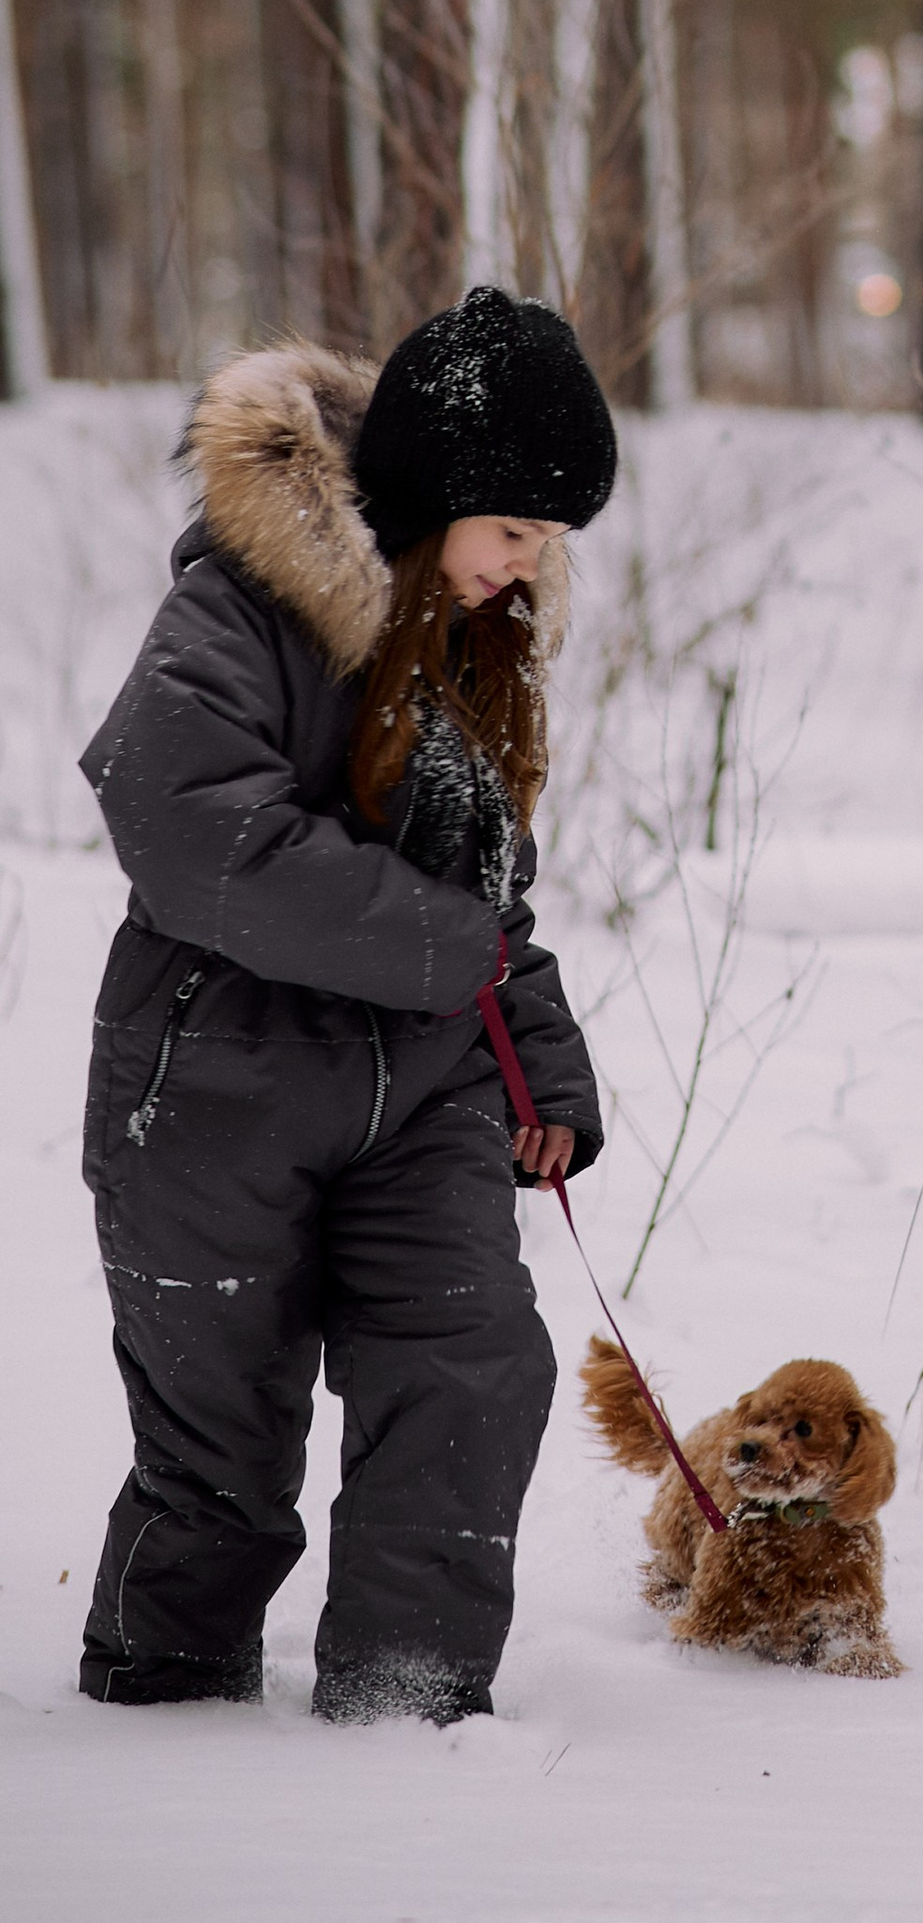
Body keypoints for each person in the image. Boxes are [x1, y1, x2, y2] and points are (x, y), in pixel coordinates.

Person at [76, 286, 620, 1724]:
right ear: (437, 492)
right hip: (213, 1087)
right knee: (222, 1445)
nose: (528, 567)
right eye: (515, 529)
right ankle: (165, 1701)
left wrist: (539, 1059)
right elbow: (189, 823)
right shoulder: (241, 604)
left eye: (549, 543)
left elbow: (485, 898)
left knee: (473, 1362)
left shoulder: (474, 639)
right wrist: (446, 952)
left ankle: (408, 1707)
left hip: (424, 1088)